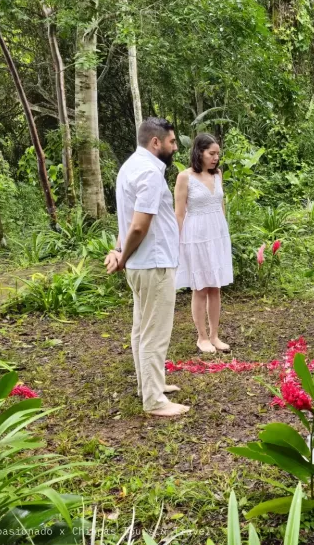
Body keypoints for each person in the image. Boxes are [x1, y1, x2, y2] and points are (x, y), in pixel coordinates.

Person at [105, 117, 189, 417]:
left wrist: (119, 252)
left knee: (142, 329)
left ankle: (150, 385)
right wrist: (123, 255)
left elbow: (126, 221)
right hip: (153, 264)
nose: (175, 146)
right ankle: (154, 400)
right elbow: (138, 226)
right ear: (156, 142)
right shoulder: (151, 173)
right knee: (155, 332)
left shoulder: (130, 166)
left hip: (143, 265)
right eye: (172, 141)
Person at [174, 133, 234, 354]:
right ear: (199, 152)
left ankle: (215, 335)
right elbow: (179, 213)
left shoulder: (218, 175)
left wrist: (224, 231)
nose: (216, 157)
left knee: (215, 287)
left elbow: (221, 205)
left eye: (218, 153)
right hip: (195, 235)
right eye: (212, 153)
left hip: (217, 233)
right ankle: (202, 337)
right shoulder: (184, 177)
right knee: (200, 287)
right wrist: (177, 244)